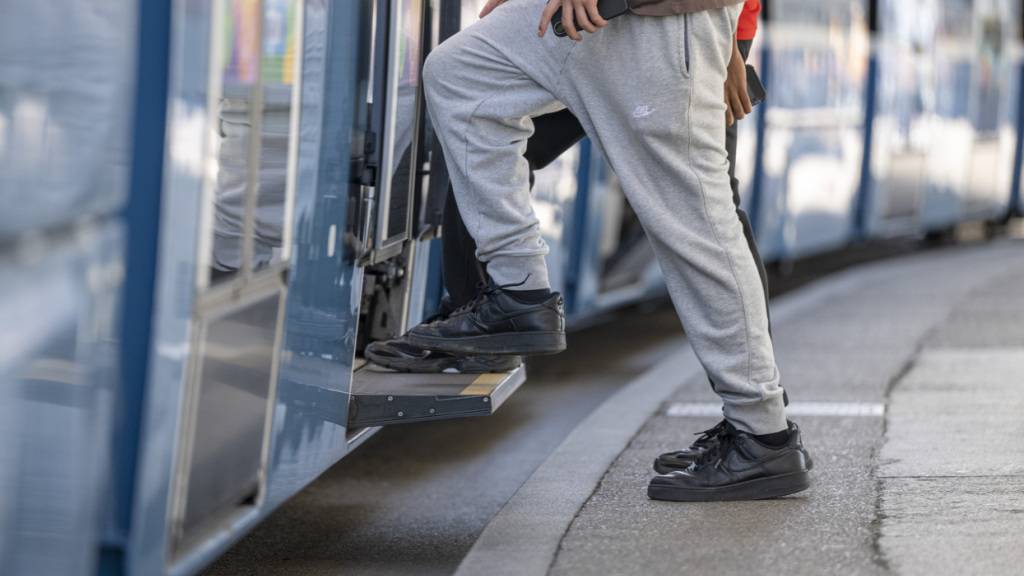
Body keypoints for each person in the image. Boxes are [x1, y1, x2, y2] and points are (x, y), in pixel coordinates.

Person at [397, 0, 811, 501]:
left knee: (696, 223)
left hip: (658, 26)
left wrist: (729, 43)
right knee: (462, 72)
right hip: (599, 20)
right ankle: (518, 297)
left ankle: (763, 434)